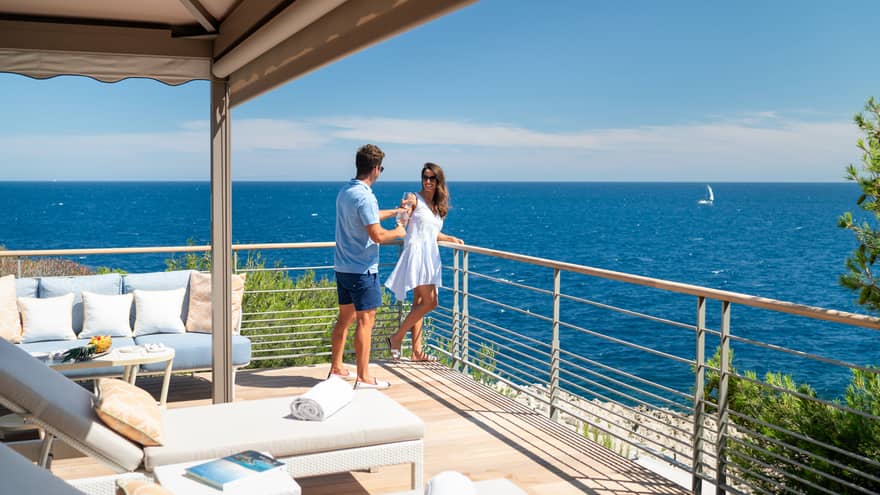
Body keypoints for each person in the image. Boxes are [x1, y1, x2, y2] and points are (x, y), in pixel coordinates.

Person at [329, 144, 407, 389]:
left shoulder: (346, 191)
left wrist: (395, 211)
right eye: (381, 168)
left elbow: (367, 215)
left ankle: (337, 369)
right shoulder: (365, 196)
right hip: (362, 270)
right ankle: (363, 377)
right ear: (375, 168)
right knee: (366, 321)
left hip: (343, 267)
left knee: (344, 319)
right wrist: (399, 231)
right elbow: (377, 235)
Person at [385, 162, 463, 361]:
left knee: (419, 303)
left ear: (439, 181)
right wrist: (404, 211)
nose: (427, 181)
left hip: (430, 256)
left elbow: (432, 233)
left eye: (432, 178)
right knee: (431, 302)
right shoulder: (414, 198)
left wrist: (450, 238)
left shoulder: (436, 207)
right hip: (417, 254)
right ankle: (396, 337)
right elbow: (404, 220)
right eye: (425, 177)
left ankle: (416, 352)